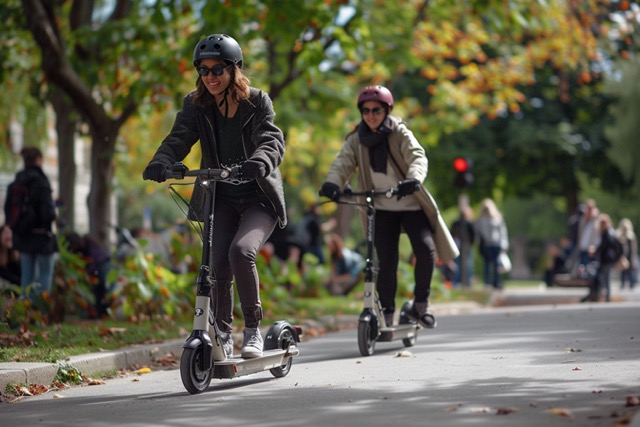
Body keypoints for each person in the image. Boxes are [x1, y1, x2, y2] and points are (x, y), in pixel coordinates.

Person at [142, 34, 286, 359]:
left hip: (257, 198)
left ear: (234, 70)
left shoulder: (257, 101)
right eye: (203, 70)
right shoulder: (195, 105)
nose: (210, 77)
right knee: (215, 262)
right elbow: (178, 138)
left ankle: (252, 329)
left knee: (241, 251)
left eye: (217, 69)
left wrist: (258, 163)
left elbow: (271, 140)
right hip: (219, 197)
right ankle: (222, 332)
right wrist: (161, 162)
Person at [320, 85, 458, 328]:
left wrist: (413, 179)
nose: (371, 115)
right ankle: (387, 313)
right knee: (385, 261)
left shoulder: (399, 133)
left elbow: (417, 156)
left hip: (411, 204)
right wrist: (332, 184)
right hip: (382, 207)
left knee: (426, 251)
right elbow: (342, 163)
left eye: (377, 110)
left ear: (387, 110)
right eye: (366, 111)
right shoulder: (356, 139)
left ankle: (420, 305)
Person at [3, 147, 58, 300]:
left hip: (22, 236)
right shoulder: (41, 182)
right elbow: (47, 213)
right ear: (39, 160)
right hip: (42, 236)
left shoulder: (16, 182)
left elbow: (8, 210)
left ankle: (24, 313)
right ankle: (40, 313)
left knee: (26, 278)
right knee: (44, 276)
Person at [65, 232, 112, 317]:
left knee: (102, 290)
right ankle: (100, 313)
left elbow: (94, 261)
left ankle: (104, 313)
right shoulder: (85, 246)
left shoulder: (88, 243)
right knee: (98, 291)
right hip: (101, 267)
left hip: (103, 266)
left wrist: (88, 273)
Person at [583, 213, 620, 302]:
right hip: (607, 258)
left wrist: (595, 250)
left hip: (606, 259)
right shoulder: (608, 232)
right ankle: (604, 296)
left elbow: (604, 246)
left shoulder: (607, 232)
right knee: (604, 277)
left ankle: (605, 296)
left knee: (605, 278)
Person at [475, 198, 509, 289]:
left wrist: (504, 243)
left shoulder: (497, 217)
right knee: (487, 264)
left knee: (496, 264)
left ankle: (497, 282)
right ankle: (487, 282)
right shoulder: (480, 219)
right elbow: (477, 232)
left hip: (496, 244)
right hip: (486, 245)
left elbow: (502, 232)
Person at [450, 205, 475, 287]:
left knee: (465, 264)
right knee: (463, 264)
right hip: (462, 246)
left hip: (462, 246)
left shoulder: (463, 223)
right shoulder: (464, 223)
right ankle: (461, 281)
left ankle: (463, 281)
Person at [616, 218, 638, 290]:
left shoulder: (631, 236)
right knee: (623, 271)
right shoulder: (620, 236)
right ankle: (623, 283)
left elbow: (632, 249)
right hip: (623, 257)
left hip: (630, 257)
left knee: (630, 271)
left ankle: (632, 283)